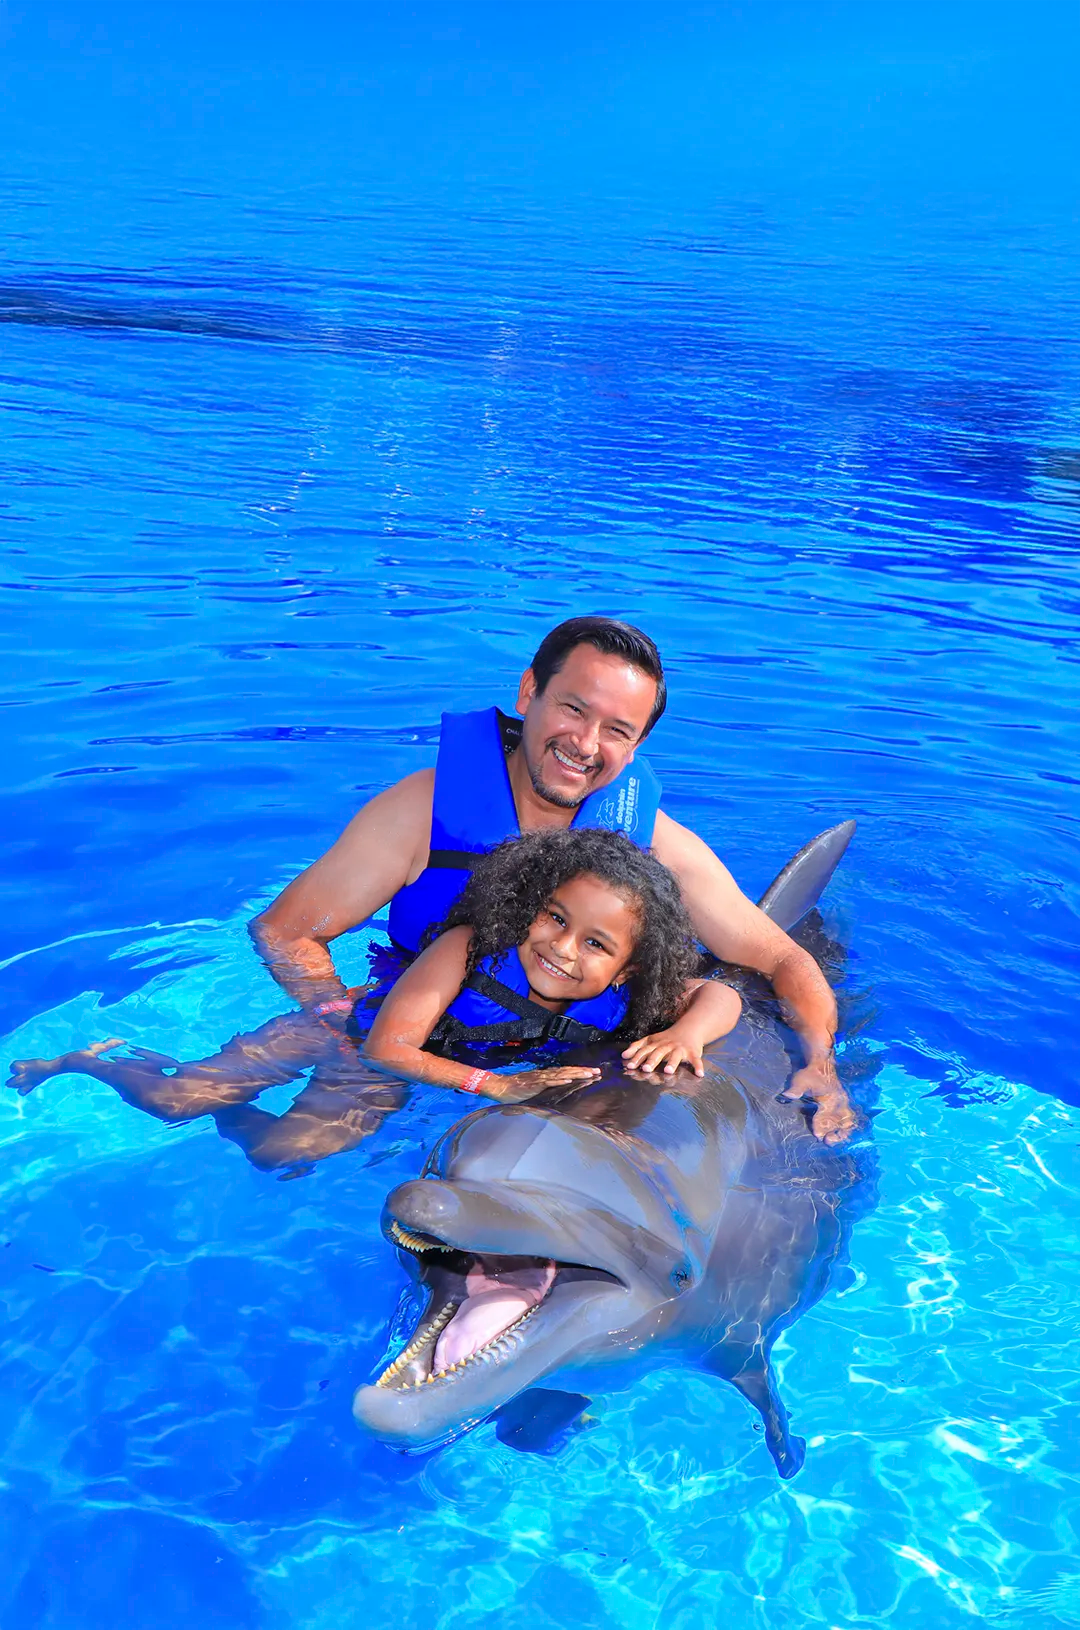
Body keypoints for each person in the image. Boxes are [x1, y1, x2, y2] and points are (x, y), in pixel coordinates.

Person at [253, 615, 856, 1145]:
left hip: (557, 1043)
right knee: (229, 1116)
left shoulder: (649, 846)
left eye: (617, 730)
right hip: (406, 1012)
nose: (585, 744)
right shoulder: (423, 813)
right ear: (528, 691)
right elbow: (286, 932)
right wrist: (333, 1024)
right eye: (573, 708)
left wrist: (821, 1067)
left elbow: (782, 958)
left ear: (638, 744)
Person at [6, 831, 739, 1170]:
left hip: (401, 1073)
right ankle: (87, 1061)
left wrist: (692, 1034)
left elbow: (718, 992)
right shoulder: (472, 948)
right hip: (349, 1036)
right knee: (173, 1103)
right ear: (532, 905)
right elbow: (389, 1045)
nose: (562, 948)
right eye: (555, 918)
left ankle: (226, 1107)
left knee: (277, 1154)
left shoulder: (620, 994)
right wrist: (499, 1087)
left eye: (596, 945)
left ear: (625, 969)